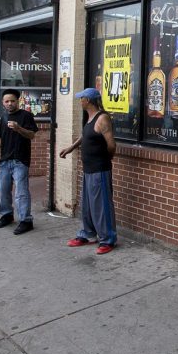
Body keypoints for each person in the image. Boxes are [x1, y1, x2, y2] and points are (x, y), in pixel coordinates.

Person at [60, 87, 117, 254]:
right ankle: (88, 234)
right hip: (88, 169)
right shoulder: (90, 117)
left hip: (100, 169)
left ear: (89, 101)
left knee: (101, 206)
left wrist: (106, 159)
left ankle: (108, 239)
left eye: (82, 98)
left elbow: (111, 144)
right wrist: (71, 148)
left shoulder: (103, 118)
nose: (80, 101)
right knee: (88, 206)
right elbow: (85, 136)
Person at [0, 89, 38, 234]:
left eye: (12, 101)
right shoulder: (3, 118)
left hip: (20, 160)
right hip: (5, 161)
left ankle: (26, 220)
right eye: (7, 101)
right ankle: (7, 215)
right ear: (3, 103)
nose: (10, 103)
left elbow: (32, 135)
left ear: (18, 101)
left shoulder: (26, 116)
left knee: (21, 192)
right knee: (3, 190)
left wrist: (19, 129)